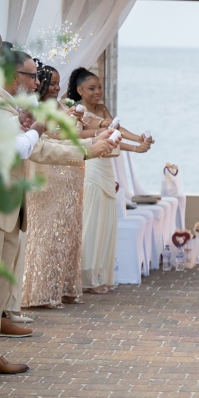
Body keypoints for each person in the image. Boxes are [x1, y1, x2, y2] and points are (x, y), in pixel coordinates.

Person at [0, 51, 118, 382]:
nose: (36, 82)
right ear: (12, 75)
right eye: (30, 75)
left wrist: (90, 145)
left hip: (10, 206)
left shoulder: (10, 106)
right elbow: (35, 148)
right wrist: (87, 149)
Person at [66, 67, 151, 294]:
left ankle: (99, 275)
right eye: (92, 88)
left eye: (100, 87)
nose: (97, 92)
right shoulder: (77, 112)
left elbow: (116, 133)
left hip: (107, 167)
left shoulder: (102, 109)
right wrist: (135, 144)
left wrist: (138, 143)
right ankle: (86, 278)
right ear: (80, 89)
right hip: (91, 166)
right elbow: (100, 134)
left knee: (106, 221)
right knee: (91, 222)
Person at [21, 63, 86, 308]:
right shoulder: (33, 108)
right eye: (52, 83)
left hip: (68, 172)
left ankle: (61, 287)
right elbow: (50, 137)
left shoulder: (61, 106)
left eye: (60, 83)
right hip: (47, 173)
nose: (57, 88)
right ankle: (41, 292)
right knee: (47, 233)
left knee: (67, 233)